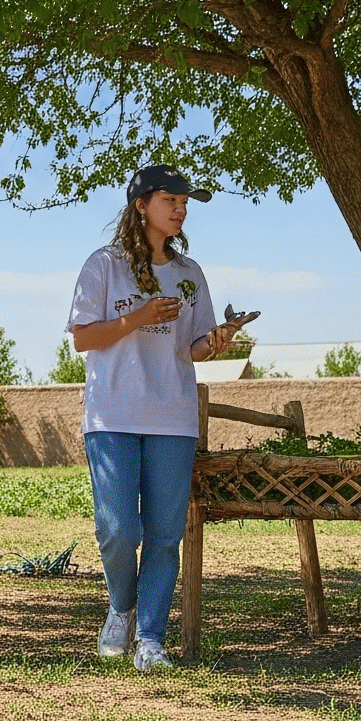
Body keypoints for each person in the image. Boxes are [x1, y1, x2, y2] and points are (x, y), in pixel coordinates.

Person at [66, 165, 246, 672]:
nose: (181, 209)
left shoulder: (190, 274)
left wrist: (217, 340)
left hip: (173, 416)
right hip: (112, 415)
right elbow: (83, 338)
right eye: (171, 199)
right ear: (141, 204)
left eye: (185, 202)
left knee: (165, 535)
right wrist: (139, 317)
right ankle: (120, 609)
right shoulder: (104, 266)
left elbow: (192, 347)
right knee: (119, 528)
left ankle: (150, 638)